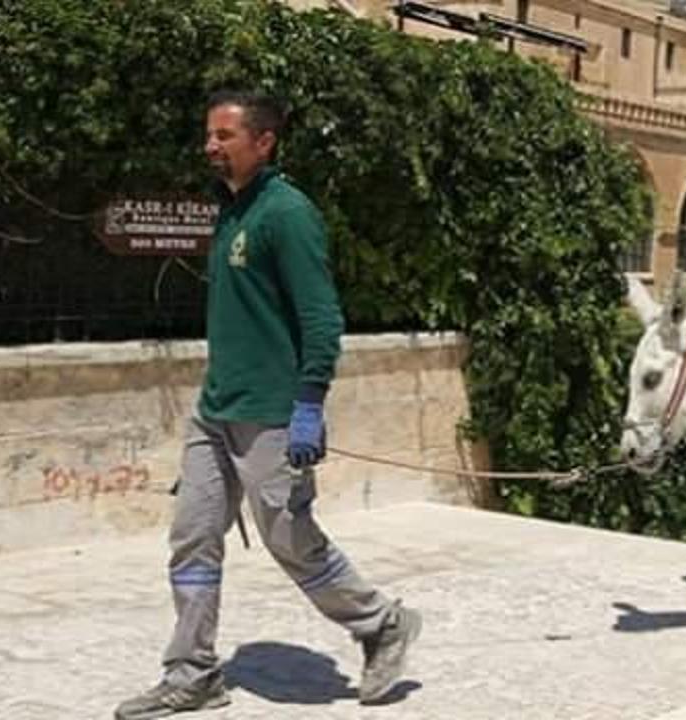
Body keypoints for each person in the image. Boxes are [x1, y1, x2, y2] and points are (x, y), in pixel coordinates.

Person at [115, 91, 420, 720]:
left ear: (264, 142)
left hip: (272, 411)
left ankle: (382, 623)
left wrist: (310, 400)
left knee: (290, 539)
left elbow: (320, 315)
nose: (210, 145)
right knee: (192, 537)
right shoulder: (230, 212)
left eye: (224, 135)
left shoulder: (287, 214)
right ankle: (193, 671)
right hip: (215, 408)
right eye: (209, 134)